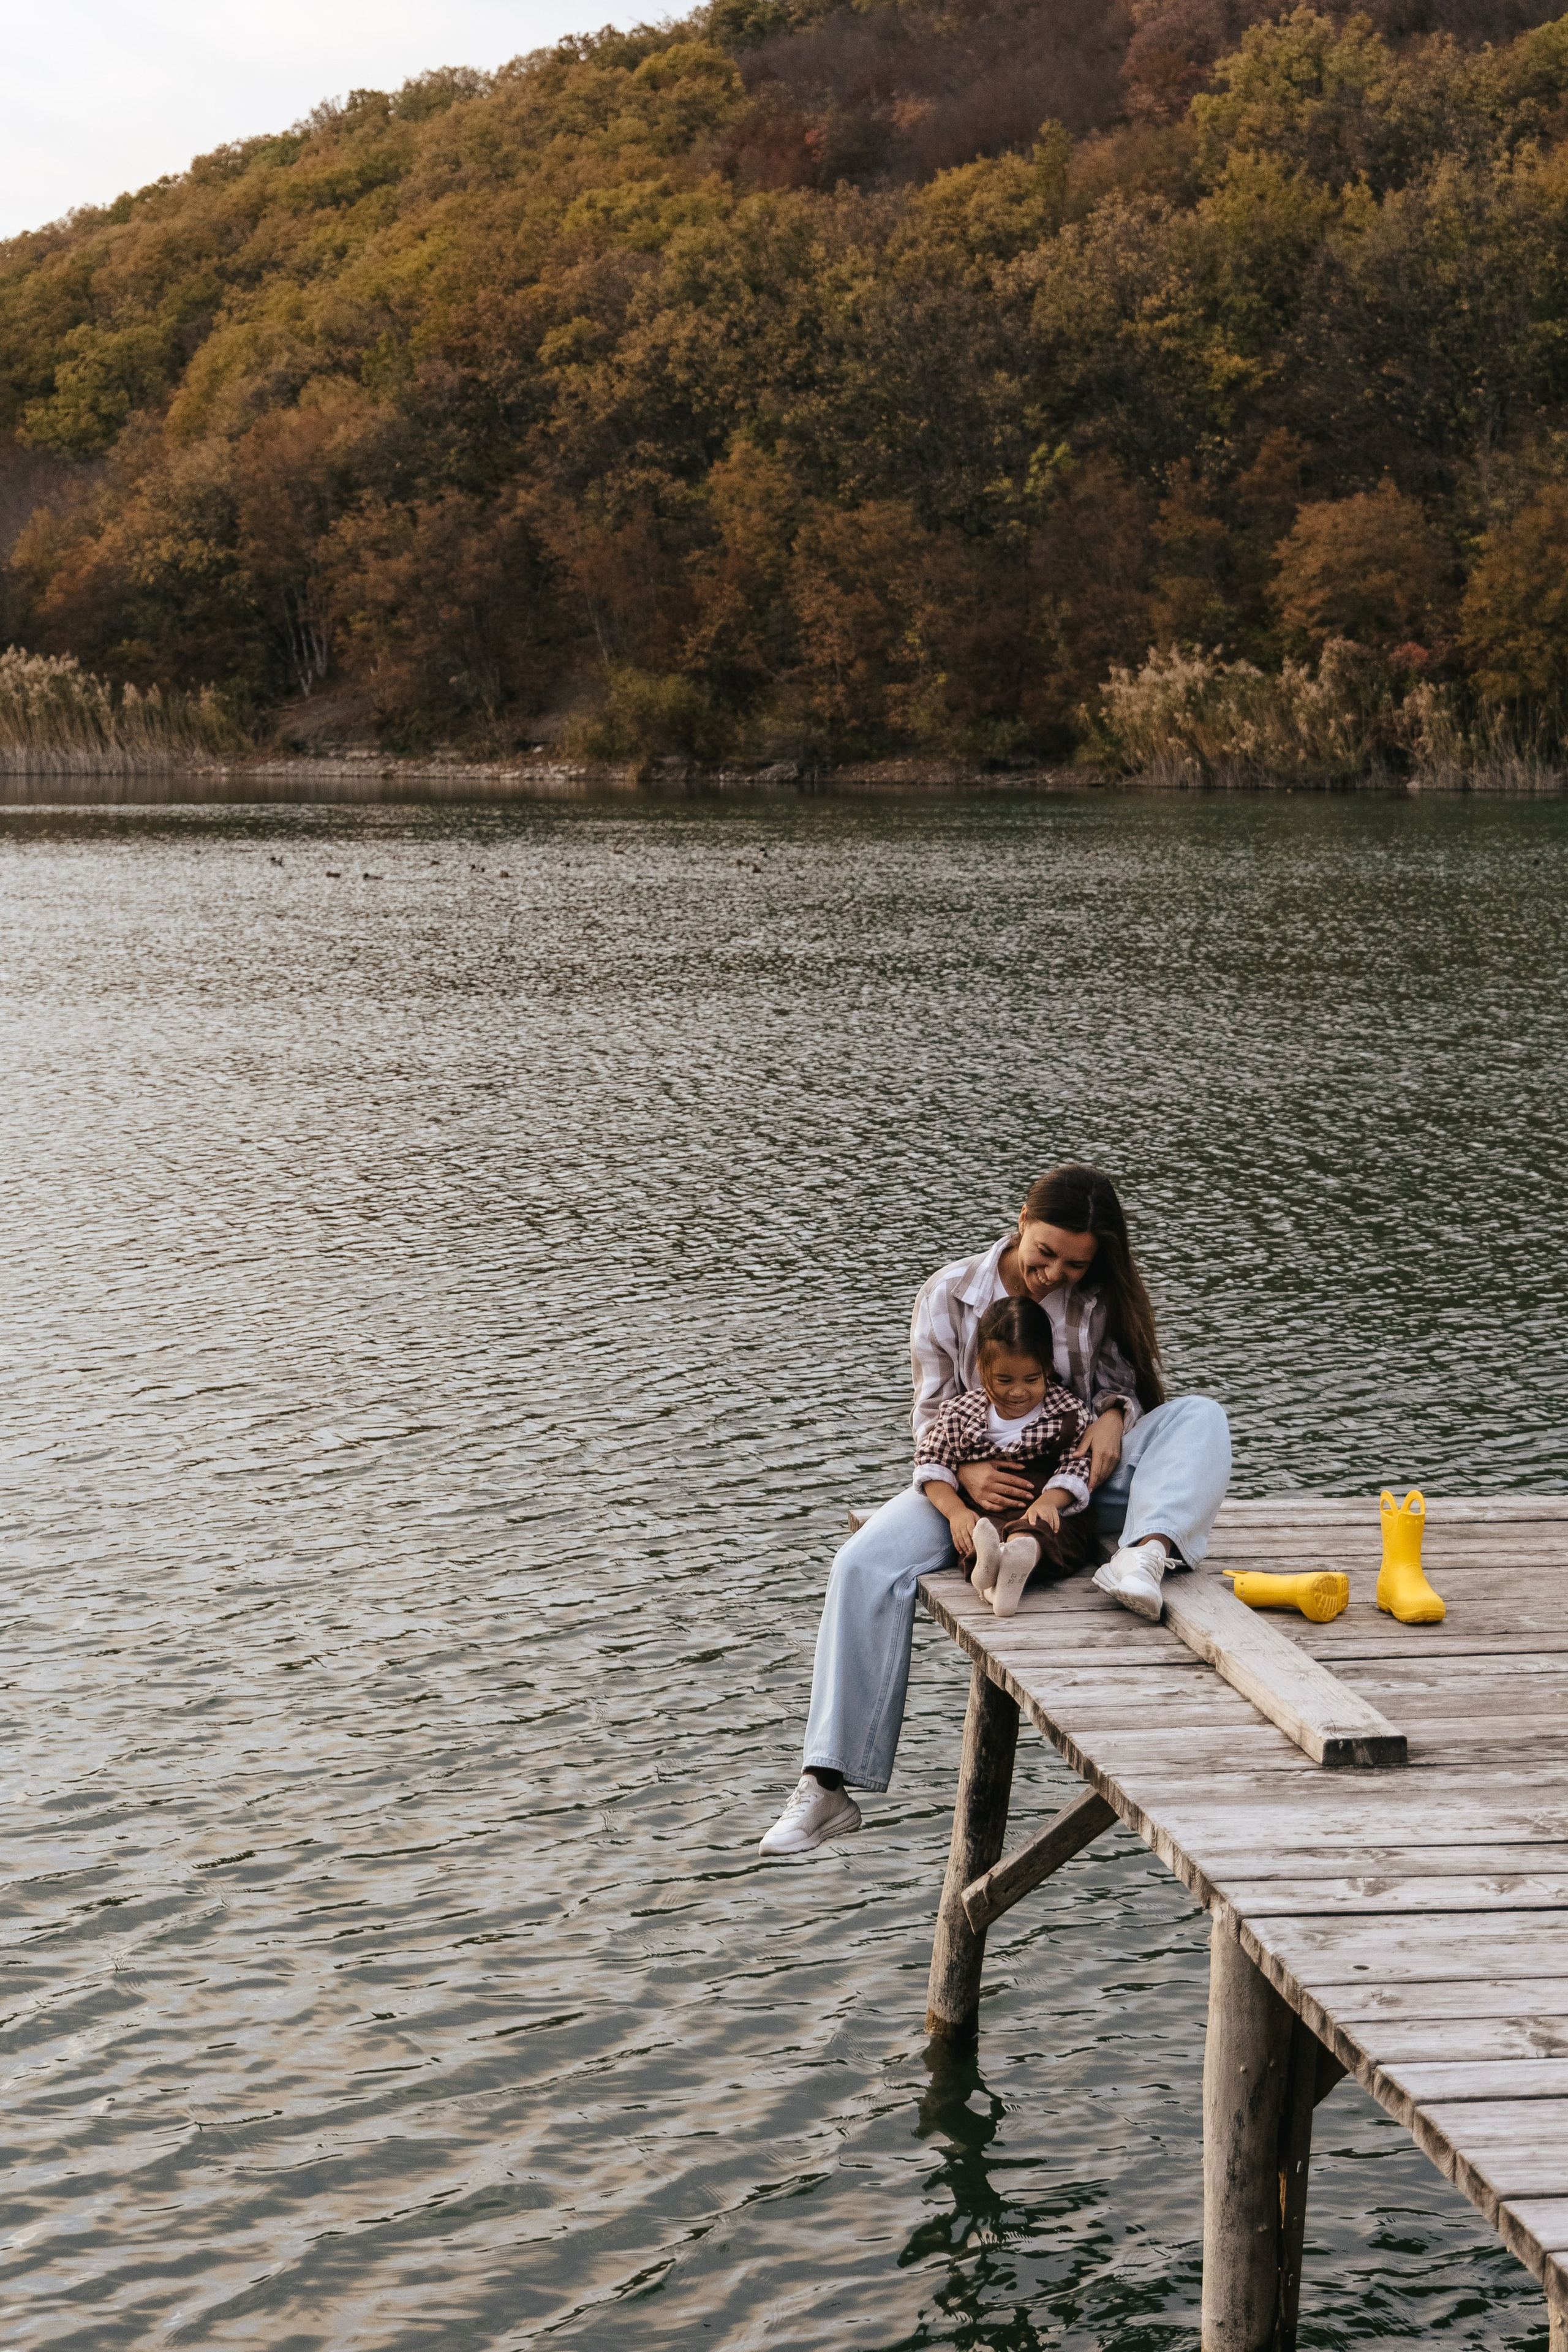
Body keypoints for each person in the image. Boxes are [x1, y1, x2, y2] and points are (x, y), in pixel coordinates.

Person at [759, 1163, 1231, 1857]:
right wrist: (967, 1474)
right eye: (1045, 1254)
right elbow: (929, 1421)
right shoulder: (949, 1294)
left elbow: (1121, 1383)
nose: (1055, 1274)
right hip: (976, 1485)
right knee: (862, 1561)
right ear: (1020, 1223)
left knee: (1200, 1417)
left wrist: (1110, 1413)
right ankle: (826, 1785)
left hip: (1079, 1481)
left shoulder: (1094, 1296)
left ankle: (1145, 1554)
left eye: (1076, 1264)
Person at [915, 1295, 1104, 1618]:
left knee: (1049, 1534)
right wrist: (956, 1511)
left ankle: (1020, 1556)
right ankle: (990, 1584)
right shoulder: (960, 1414)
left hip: (1047, 1509)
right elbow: (932, 1464)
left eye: (1032, 1379)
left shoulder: (1069, 1411)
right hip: (986, 1510)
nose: (1018, 1391)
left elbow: (1078, 1464)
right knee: (976, 1537)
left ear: (1048, 1367)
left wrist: (1050, 1501)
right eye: (1004, 1380)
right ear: (982, 1369)